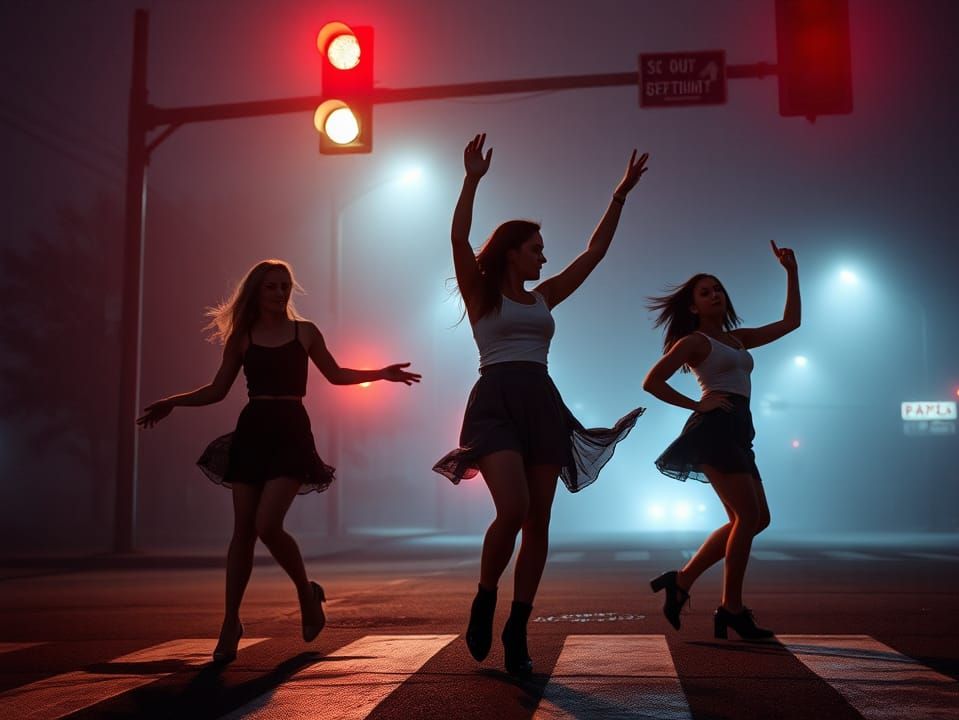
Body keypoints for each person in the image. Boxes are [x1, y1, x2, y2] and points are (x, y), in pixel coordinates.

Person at [433, 134, 647, 676]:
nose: (545, 256)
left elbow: (593, 254)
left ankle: (517, 625)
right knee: (513, 509)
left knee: (540, 520)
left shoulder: (546, 295)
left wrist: (618, 195)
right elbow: (458, 237)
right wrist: (471, 180)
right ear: (511, 251)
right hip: (495, 402)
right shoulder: (480, 292)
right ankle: (486, 597)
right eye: (536, 249)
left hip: (542, 400)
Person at [137, 259, 420, 662]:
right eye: (271, 286)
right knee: (243, 533)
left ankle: (306, 592)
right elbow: (218, 390)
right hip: (253, 430)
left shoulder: (304, 332)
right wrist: (172, 402)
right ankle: (231, 622)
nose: (280, 292)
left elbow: (336, 374)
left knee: (268, 524)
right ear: (257, 291)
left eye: (285, 286)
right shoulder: (242, 338)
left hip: (290, 431)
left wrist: (382, 373)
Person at [643, 240, 800, 640]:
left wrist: (791, 272)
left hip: (738, 429)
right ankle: (731, 609)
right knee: (747, 519)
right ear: (693, 306)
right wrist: (698, 405)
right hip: (713, 430)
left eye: (718, 289)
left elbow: (790, 323)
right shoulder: (695, 341)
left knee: (755, 520)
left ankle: (681, 580)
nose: (716, 294)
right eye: (706, 291)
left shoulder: (738, 339)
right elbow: (652, 382)